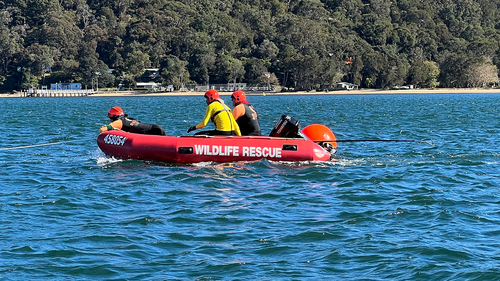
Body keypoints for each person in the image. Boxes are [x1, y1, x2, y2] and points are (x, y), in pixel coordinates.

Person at [99, 106, 166, 136]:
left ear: (114, 117)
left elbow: (102, 130)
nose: (110, 120)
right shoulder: (130, 119)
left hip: (154, 132)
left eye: (110, 118)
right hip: (157, 128)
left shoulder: (119, 122)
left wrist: (110, 128)